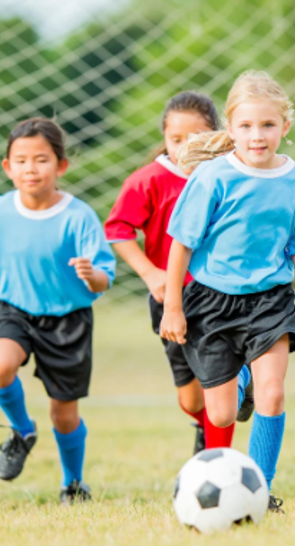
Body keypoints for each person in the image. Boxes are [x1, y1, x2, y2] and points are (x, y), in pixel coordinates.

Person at [160, 71, 295, 513]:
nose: (258, 136)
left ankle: (260, 490)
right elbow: (181, 244)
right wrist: (173, 307)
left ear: (285, 127)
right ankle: (240, 387)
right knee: (219, 414)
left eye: (268, 125)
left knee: (273, 392)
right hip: (212, 303)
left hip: (270, 302)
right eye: (247, 126)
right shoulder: (213, 177)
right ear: (231, 129)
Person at [0, 118, 115, 504]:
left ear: (61, 166)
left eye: (41, 160)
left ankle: (73, 483)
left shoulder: (79, 216)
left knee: (63, 415)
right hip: (14, 310)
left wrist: (92, 276)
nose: (30, 169)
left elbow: (105, 277)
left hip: (68, 320)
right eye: (21, 161)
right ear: (8, 167)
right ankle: (22, 430)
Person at [105, 91, 252, 455]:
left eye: (196, 138)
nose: (186, 147)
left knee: (220, 387)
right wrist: (150, 273)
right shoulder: (148, 180)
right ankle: (206, 427)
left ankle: (220, 460)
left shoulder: (232, 175)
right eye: (176, 139)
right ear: (164, 138)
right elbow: (118, 229)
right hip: (173, 298)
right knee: (191, 399)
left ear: (216, 135)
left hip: (222, 296)